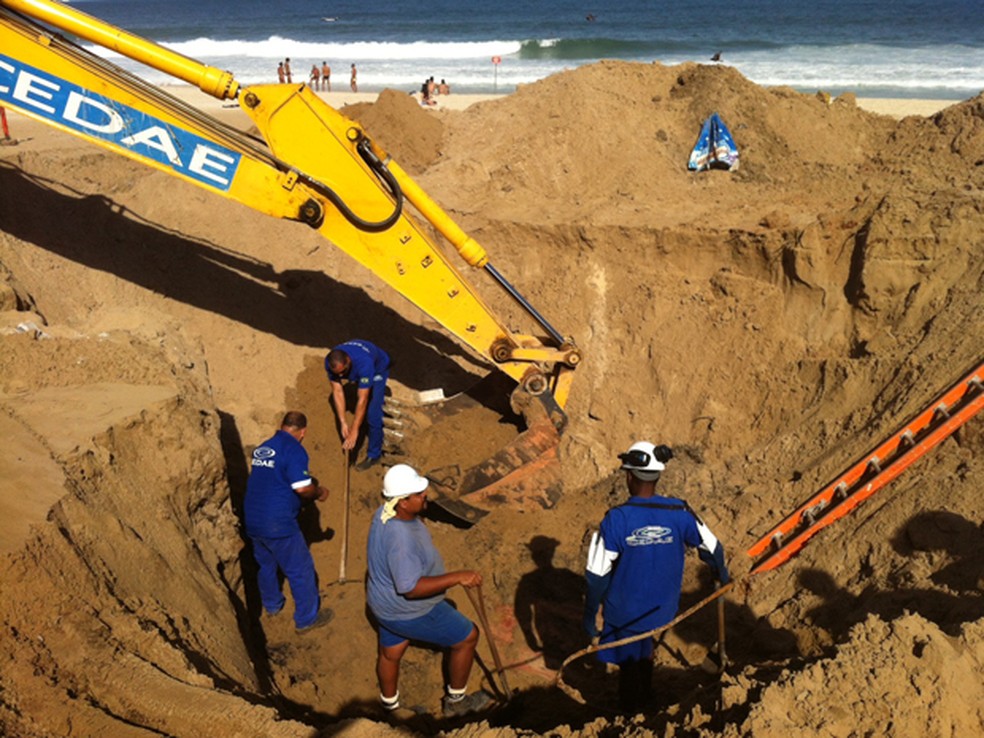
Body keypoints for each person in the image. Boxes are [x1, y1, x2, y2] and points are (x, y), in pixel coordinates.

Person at [583, 441, 729, 713]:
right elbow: (714, 549)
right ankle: (647, 695)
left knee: (628, 656)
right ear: (657, 476)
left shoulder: (617, 519)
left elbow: (596, 576)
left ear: (628, 476)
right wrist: (721, 575)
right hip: (663, 609)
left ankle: (631, 709)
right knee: (645, 640)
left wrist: (590, 617)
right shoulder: (679, 512)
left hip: (625, 610)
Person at [366, 463, 494, 717]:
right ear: (403, 502)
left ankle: (389, 708)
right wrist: (457, 577)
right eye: (418, 494)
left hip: (383, 604)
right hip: (409, 609)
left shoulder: (385, 512)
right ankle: (456, 702)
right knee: (467, 636)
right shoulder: (401, 540)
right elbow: (411, 588)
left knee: (391, 653)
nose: (425, 495)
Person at [243, 411, 334, 633]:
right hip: (278, 522)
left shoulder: (265, 447)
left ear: (281, 426)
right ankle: (306, 619)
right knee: (300, 569)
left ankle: (272, 605)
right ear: (302, 432)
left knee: (266, 564)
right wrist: (319, 491)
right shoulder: (294, 449)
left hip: (253, 518)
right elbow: (302, 488)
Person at [325, 339, 390, 470]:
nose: (342, 376)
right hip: (362, 364)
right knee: (360, 400)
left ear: (348, 360)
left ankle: (374, 455)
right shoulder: (330, 362)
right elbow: (337, 391)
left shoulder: (364, 364)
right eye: (338, 374)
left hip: (378, 368)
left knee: (373, 414)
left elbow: (363, 399)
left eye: (344, 372)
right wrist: (343, 421)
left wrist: (355, 430)